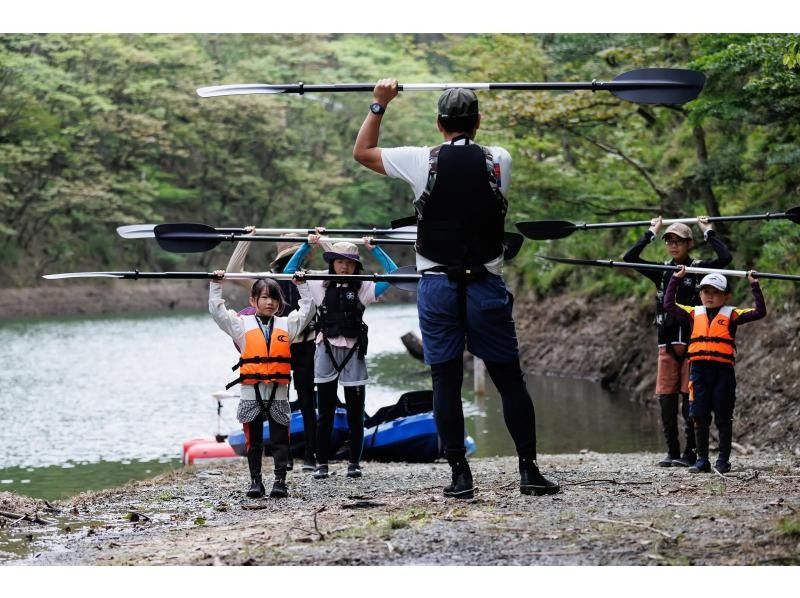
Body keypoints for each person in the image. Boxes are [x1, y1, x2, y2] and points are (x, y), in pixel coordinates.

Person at [352, 79, 559, 498]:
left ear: (439, 124)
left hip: (437, 286)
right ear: (478, 122)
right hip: (486, 286)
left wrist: (379, 104)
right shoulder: (500, 160)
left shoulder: (419, 160)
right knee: (510, 381)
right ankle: (528, 471)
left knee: (445, 381)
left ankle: (460, 476)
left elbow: (362, 153)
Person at [624, 217, 732, 468]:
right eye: (669, 241)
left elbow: (725, 259)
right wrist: (651, 232)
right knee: (666, 401)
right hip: (667, 344)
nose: (673, 246)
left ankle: (690, 453)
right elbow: (629, 258)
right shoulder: (662, 270)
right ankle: (672, 452)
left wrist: (709, 231)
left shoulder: (699, 268)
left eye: (679, 242)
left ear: (689, 244)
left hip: (694, 344)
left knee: (689, 402)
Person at [294, 235, 398, 480]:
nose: (344, 267)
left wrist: (376, 249)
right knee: (326, 412)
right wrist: (307, 245)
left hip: (353, 352)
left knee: (355, 412)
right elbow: (291, 270)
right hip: (326, 350)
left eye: (349, 263)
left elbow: (393, 273)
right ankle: (322, 464)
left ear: (355, 266)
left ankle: (354, 463)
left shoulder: (363, 287)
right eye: (339, 262)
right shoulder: (319, 284)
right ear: (332, 263)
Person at [209, 272, 315, 498]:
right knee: (253, 440)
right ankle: (255, 481)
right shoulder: (240, 325)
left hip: (277, 390)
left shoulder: (287, 325)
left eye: (274, 298)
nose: (270, 302)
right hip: (251, 389)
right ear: (252, 301)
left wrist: (302, 285)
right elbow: (217, 312)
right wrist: (216, 284)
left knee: (280, 439)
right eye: (265, 297)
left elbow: (308, 310)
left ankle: (280, 481)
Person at [225, 230, 322, 472]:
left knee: (308, 400)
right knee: (276, 401)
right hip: (276, 348)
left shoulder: (310, 278)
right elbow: (233, 269)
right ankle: (284, 456)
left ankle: (311, 455)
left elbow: (336, 263)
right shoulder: (265, 282)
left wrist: (319, 241)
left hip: (306, 344)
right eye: (283, 260)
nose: (288, 264)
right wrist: (248, 237)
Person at [664, 266, 766, 473]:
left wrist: (754, 284)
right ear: (700, 293)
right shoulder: (693, 313)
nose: (710, 297)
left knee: (723, 417)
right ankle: (702, 460)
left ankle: (723, 461)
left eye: (716, 292)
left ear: (726, 296)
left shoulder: (733, 314)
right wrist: (676, 278)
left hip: (723, 373)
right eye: (706, 291)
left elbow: (759, 312)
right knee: (699, 416)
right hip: (699, 371)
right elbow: (668, 305)